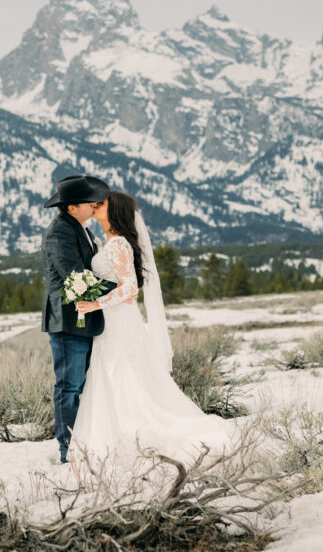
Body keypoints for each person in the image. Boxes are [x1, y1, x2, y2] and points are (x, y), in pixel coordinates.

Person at [72, 191, 232, 464]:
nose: (96, 205)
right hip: (111, 322)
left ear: (116, 211)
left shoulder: (119, 243)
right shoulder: (107, 242)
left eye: (103, 203)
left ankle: (131, 435)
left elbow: (130, 289)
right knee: (109, 373)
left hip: (121, 321)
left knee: (124, 373)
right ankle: (110, 436)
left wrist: (94, 303)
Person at [40, 174, 115, 464]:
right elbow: (76, 277)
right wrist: (118, 287)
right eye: (89, 202)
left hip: (85, 316)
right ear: (72, 207)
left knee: (83, 385)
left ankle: (85, 441)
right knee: (69, 386)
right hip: (69, 319)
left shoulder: (78, 227)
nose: (95, 204)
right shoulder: (60, 232)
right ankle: (68, 448)